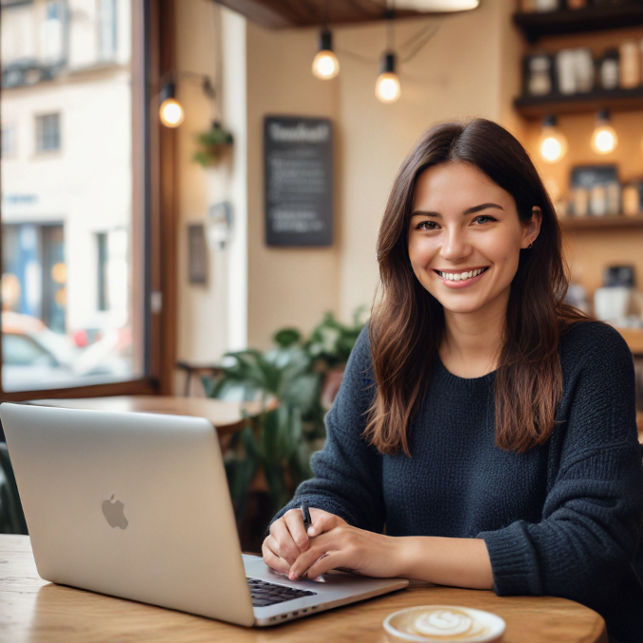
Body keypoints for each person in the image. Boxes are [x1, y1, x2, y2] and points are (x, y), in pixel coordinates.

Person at [262, 119, 643, 642]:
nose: (454, 248)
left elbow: (588, 547)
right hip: (416, 630)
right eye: (428, 225)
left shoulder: (591, 356)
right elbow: (338, 485)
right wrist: (300, 527)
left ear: (529, 226)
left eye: (481, 219)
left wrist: (395, 552)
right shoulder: (382, 349)